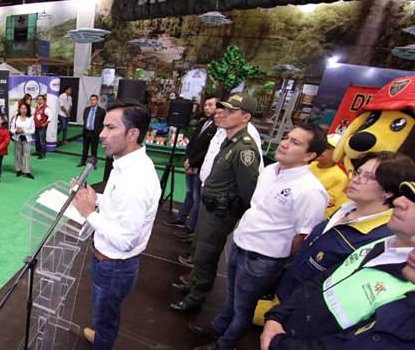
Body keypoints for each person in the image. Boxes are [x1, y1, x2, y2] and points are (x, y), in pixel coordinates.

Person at [187, 124, 329, 350]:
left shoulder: (310, 190)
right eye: (287, 137)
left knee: (244, 309)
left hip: (263, 258)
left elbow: (304, 236)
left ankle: (225, 344)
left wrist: (279, 258)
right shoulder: (271, 170)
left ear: (310, 156)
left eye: (295, 142)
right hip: (241, 244)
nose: (284, 143)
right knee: (233, 297)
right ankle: (218, 326)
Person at [260, 181, 415, 350]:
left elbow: (354, 344)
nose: (399, 202)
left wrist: (278, 343)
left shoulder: (408, 284)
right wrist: (277, 316)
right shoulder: (381, 243)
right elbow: (323, 280)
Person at [71, 99, 160, 349]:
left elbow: (125, 240)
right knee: (104, 311)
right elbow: (115, 201)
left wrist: (90, 213)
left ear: (133, 134)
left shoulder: (136, 178)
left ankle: (103, 341)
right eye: (103, 127)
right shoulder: (125, 164)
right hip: (108, 261)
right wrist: (94, 198)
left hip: (114, 265)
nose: (101, 134)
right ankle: (101, 335)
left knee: (106, 314)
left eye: (111, 128)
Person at [275, 151, 415, 301]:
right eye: (358, 172)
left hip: (304, 311)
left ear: (389, 191)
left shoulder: (378, 237)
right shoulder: (346, 210)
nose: (356, 180)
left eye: (368, 177)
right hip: (285, 296)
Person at [171, 93, 262, 313]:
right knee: (198, 248)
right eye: (222, 109)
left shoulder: (245, 148)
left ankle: (195, 299)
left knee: (207, 255)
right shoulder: (229, 139)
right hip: (209, 206)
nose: (222, 113)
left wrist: (230, 212)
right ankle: (192, 286)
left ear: (246, 117)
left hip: (220, 212)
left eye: (230, 111)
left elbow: (248, 190)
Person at [165, 95, 219, 236]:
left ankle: (191, 227)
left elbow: (208, 150)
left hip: (200, 166)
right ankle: (181, 218)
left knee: (197, 199)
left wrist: (193, 162)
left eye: (211, 105)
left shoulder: (218, 128)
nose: (207, 108)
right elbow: (193, 142)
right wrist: (187, 159)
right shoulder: (203, 122)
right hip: (191, 163)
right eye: (206, 105)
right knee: (189, 194)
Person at [309, 133, 350, 219]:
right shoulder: (311, 164)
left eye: (327, 148)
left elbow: (327, 201)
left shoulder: (340, 178)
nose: (321, 150)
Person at [79, 95, 105, 168]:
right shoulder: (86, 109)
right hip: (86, 132)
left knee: (94, 149)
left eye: (94, 100)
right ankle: (83, 161)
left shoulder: (101, 111)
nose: (92, 101)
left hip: (95, 133)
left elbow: (103, 122)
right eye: (91, 100)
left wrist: (99, 130)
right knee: (85, 148)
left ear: (97, 101)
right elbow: (85, 119)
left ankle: (93, 164)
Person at [10, 103, 35, 179]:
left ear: (27, 110)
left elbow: (33, 131)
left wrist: (24, 131)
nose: (23, 110)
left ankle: (27, 171)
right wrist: (16, 131)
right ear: (19, 109)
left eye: (25, 108)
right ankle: (19, 170)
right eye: (22, 108)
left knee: (27, 155)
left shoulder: (30, 119)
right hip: (17, 138)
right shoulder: (15, 118)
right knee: (18, 154)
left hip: (26, 138)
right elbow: (11, 129)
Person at [33, 94, 52, 159]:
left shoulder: (46, 108)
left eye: (41, 99)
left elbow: (51, 116)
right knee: (37, 140)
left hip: (42, 127)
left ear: (44, 100)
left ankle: (43, 154)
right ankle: (37, 151)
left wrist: (46, 123)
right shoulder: (37, 107)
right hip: (36, 126)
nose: (39, 101)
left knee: (42, 141)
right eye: (38, 99)